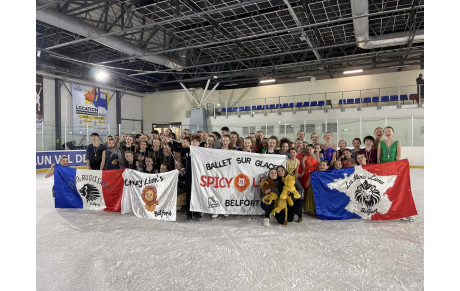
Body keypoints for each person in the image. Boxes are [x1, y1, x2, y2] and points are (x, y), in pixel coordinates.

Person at [376, 126, 413, 222]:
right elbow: (378, 158)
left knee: (396, 190)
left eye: (389, 131)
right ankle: (382, 210)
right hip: (383, 170)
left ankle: (400, 211)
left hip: (393, 170)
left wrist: (398, 170)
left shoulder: (397, 143)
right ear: (384, 133)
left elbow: (398, 158)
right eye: (386, 131)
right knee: (383, 190)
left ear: (393, 132)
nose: (387, 132)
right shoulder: (381, 143)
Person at [301, 145, 318, 211]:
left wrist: (316, 158)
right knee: (306, 189)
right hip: (307, 174)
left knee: (313, 190)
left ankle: (313, 206)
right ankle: (305, 205)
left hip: (314, 175)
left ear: (314, 149)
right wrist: (303, 161)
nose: (309, 151)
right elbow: (304, 167)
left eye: (310, 149)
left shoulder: (317, 157)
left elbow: (319, 165)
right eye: (307, 149)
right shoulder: (305, 157)